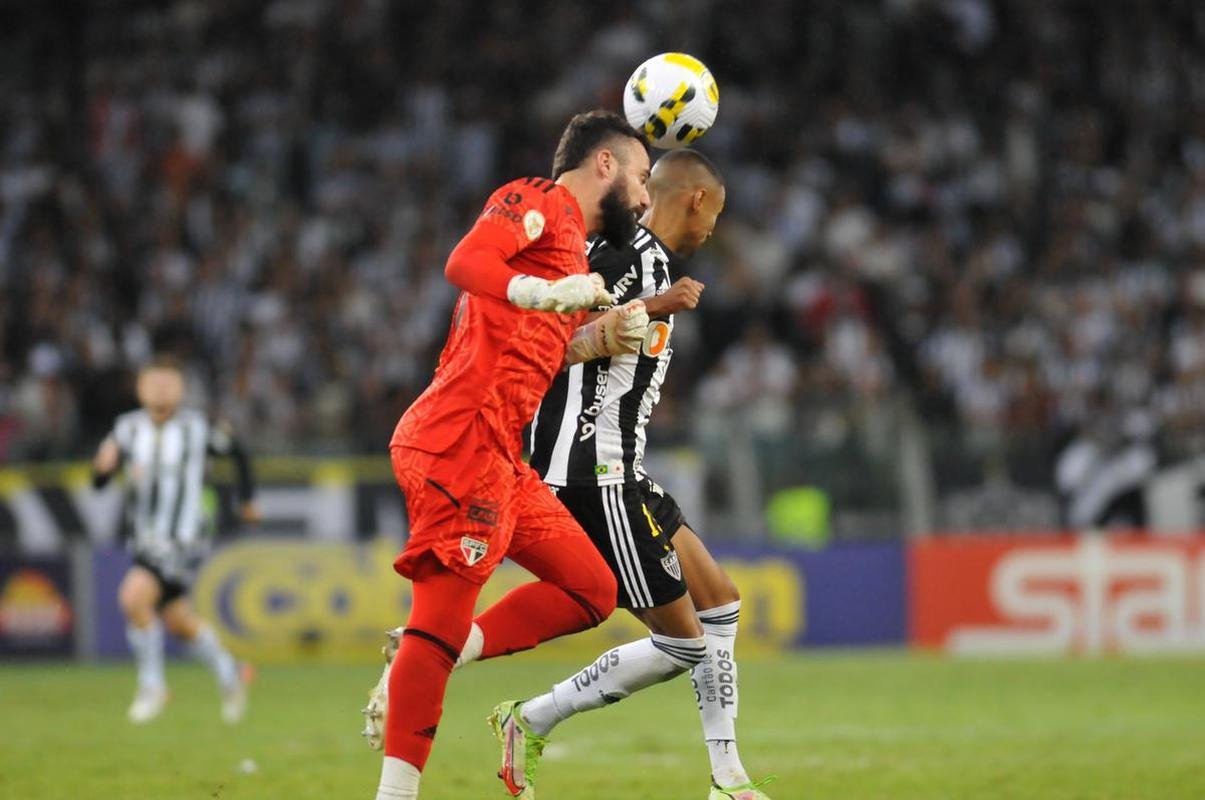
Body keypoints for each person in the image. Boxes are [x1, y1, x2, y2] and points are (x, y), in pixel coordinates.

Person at [370, 109, 654, 800]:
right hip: (457, 442)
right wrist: (542, 292)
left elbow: (534, 347)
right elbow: (464, 263)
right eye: (643, 177)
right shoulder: (534, 200)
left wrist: (600, 335)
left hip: (503, 458)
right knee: (436, 622)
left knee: (590, 591)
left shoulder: (576, 261)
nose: (646, 198)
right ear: (606, 165)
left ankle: (432, 649)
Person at [504, 149, 772, 799]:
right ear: (698, 201)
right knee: (684, 646)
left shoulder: (652, 263)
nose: (715, 229)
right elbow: (548, 341)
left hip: (623, 469)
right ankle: (531, 717)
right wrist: (651, 307)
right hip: (590, 476)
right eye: (717, 212)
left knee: (721, 602)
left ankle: (727, 779)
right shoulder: (629, 262)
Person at [91, 357, 258, 724]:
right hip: (145, 539)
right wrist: (101, 470)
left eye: (169, 382)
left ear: (181, 389)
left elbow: (239, 453)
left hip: (184, 537)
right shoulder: (126, 429)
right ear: (140, 388)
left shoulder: (198, 427)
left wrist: (246, 501)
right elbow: (100, 480)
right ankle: (231, 674)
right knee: (178, 621)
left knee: (132, 597)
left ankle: (152, 686)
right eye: (154, 382)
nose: (161, 388)